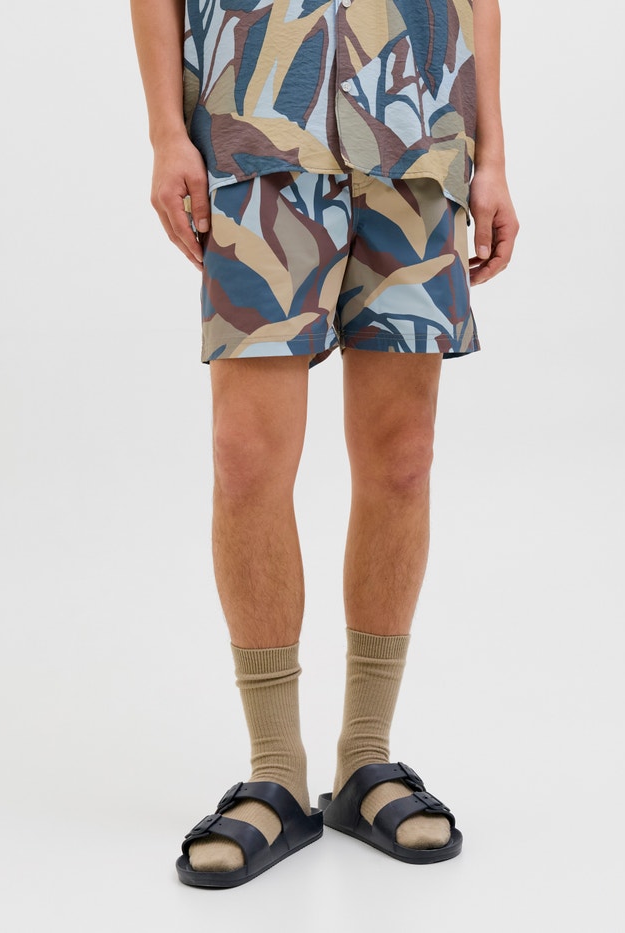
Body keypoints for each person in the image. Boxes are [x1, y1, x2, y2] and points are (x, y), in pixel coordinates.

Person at [130, 0, 519, 888]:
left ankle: (366, 759)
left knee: (403, 457)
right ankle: (274, 769)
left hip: (419, 130)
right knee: (246, 457)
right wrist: (165, 135)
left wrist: (494, 155)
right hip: (258, 127)